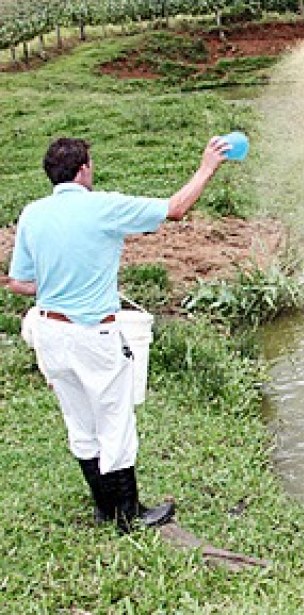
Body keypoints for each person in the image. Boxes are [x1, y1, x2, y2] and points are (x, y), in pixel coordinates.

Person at [3, 136, 229, 533]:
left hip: (50, 332)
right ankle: (129, 514)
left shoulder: (32, 214)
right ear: (84, 169)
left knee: (79, 420)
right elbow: (175, 209)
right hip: (93, 334)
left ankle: (104, 508)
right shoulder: (102, 207)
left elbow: (19, 282)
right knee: (114, 419)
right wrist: (208, 166)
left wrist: (60, 282)